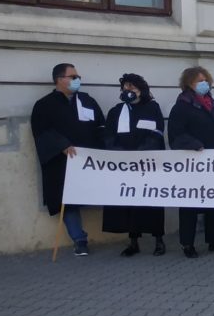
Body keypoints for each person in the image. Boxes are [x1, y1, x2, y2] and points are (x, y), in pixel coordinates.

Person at [30, 63, 105, 256]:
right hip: (62, 161)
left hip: (88, 160)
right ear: (59, 79)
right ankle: (79, 239)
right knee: (67, 200)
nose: (77, 79)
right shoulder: (45, 105)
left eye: (77, 76)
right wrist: (62, 145)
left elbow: (100, 126)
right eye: (72, 76)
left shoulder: (87, 101)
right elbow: (42, 131)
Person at [168, 66, 214, 258]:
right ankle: (187, 244)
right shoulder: (181, 106)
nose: (204, 84)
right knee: (189, 204)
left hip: (212, 162)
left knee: (213, 200)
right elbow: (176, 136)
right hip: (192, 162)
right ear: (188, 84)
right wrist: (195, 144)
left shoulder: (209, 104)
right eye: (199, 81)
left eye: (205, 80)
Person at [101, 73, 166, 257]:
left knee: (152, 203)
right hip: (124, 166)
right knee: (129, 204)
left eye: (132, 87)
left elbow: (157, 132)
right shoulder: (116, 111)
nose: (128, 91)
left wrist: (141, 154)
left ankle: (158, 240)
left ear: (141, 90)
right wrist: (120, 154)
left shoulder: (152, 108)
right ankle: (133, 241)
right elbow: (108, 135)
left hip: (147, 164)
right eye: (125, 87)